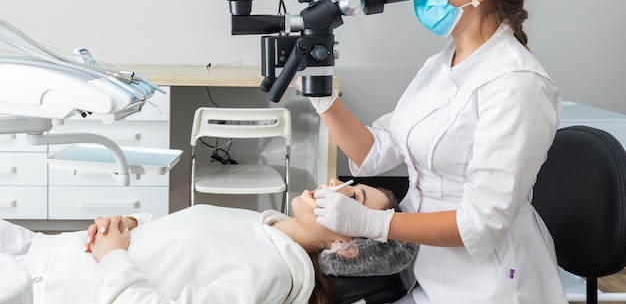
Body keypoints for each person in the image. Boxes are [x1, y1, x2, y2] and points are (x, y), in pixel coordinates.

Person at [305, 0, 569, 303]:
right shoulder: (440, 65)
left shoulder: (517, 84)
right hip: (424, 271)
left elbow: (481, 224)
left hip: (489, 283)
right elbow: (375, 151)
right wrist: (321, 96)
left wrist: (376, 223)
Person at [0, 179, 415, 304]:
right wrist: (131, 223)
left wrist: (112, 259)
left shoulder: (271, 274)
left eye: (355, 198)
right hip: (40, 249)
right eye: (352, 182)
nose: (338, 185)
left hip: (34, 288)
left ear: (346, 246)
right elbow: (175, 243)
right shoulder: (262, 227)